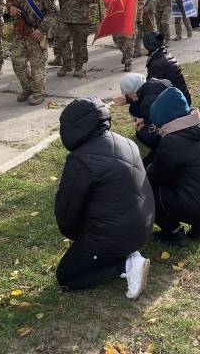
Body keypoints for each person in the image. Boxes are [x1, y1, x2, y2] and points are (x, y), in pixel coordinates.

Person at [54, 97, 153, 298]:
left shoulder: (80, 160)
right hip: (143, 227)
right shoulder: (126, 142)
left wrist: (80, 237)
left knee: (67, 277)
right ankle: (126, 252)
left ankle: (125, 265)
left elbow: (67, 210)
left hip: (116, 236)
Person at [145, 87, 200, 245]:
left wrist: (143, 169)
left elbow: (157, 176)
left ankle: (173, 233)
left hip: (192, 205)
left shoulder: (173, 141)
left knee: (147, 187)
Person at [9, 0, 59, 105]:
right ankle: (28, 88)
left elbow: (54, 12)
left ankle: (39, 93)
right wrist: (11, 7)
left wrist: (42, 29)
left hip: (37, 33)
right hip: (21, 32)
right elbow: (12, 3)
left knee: (37, 65)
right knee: (17, 61)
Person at [114, 73, 172, 149]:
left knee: (141, 133)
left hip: (170, 135)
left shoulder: (147, 102)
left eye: (128, 95)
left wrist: (142, 127)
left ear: (133, 93)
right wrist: (145, 120)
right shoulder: (162, 83)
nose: (128, 97)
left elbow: (153, 128)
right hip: (179, 120)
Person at [144, 31, 191, 104]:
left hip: (177, 103)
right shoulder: (165, 54)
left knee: (140, 106)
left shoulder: (157, 63)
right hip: (183, 98)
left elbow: (151, 87)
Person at [116, 0, 147, 72]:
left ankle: (128, 62)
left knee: (129, 38)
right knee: (116, 37)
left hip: (131, 14)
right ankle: (126, 53)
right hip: (118, 14)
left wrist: (136, 14)